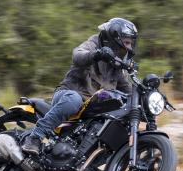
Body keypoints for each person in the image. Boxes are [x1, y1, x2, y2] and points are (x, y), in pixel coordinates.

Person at [21, 17, 138, 155]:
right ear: (114, 37)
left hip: (90, 110)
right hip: (68, 95)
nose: (129, 48)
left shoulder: (116, 68)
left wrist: (145, 96)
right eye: (126, 42)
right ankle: (34, 137)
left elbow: (129, 92)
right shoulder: (94, 44)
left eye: (131, 43)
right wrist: (97, 54)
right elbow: (77, 55)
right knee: (74, 100)